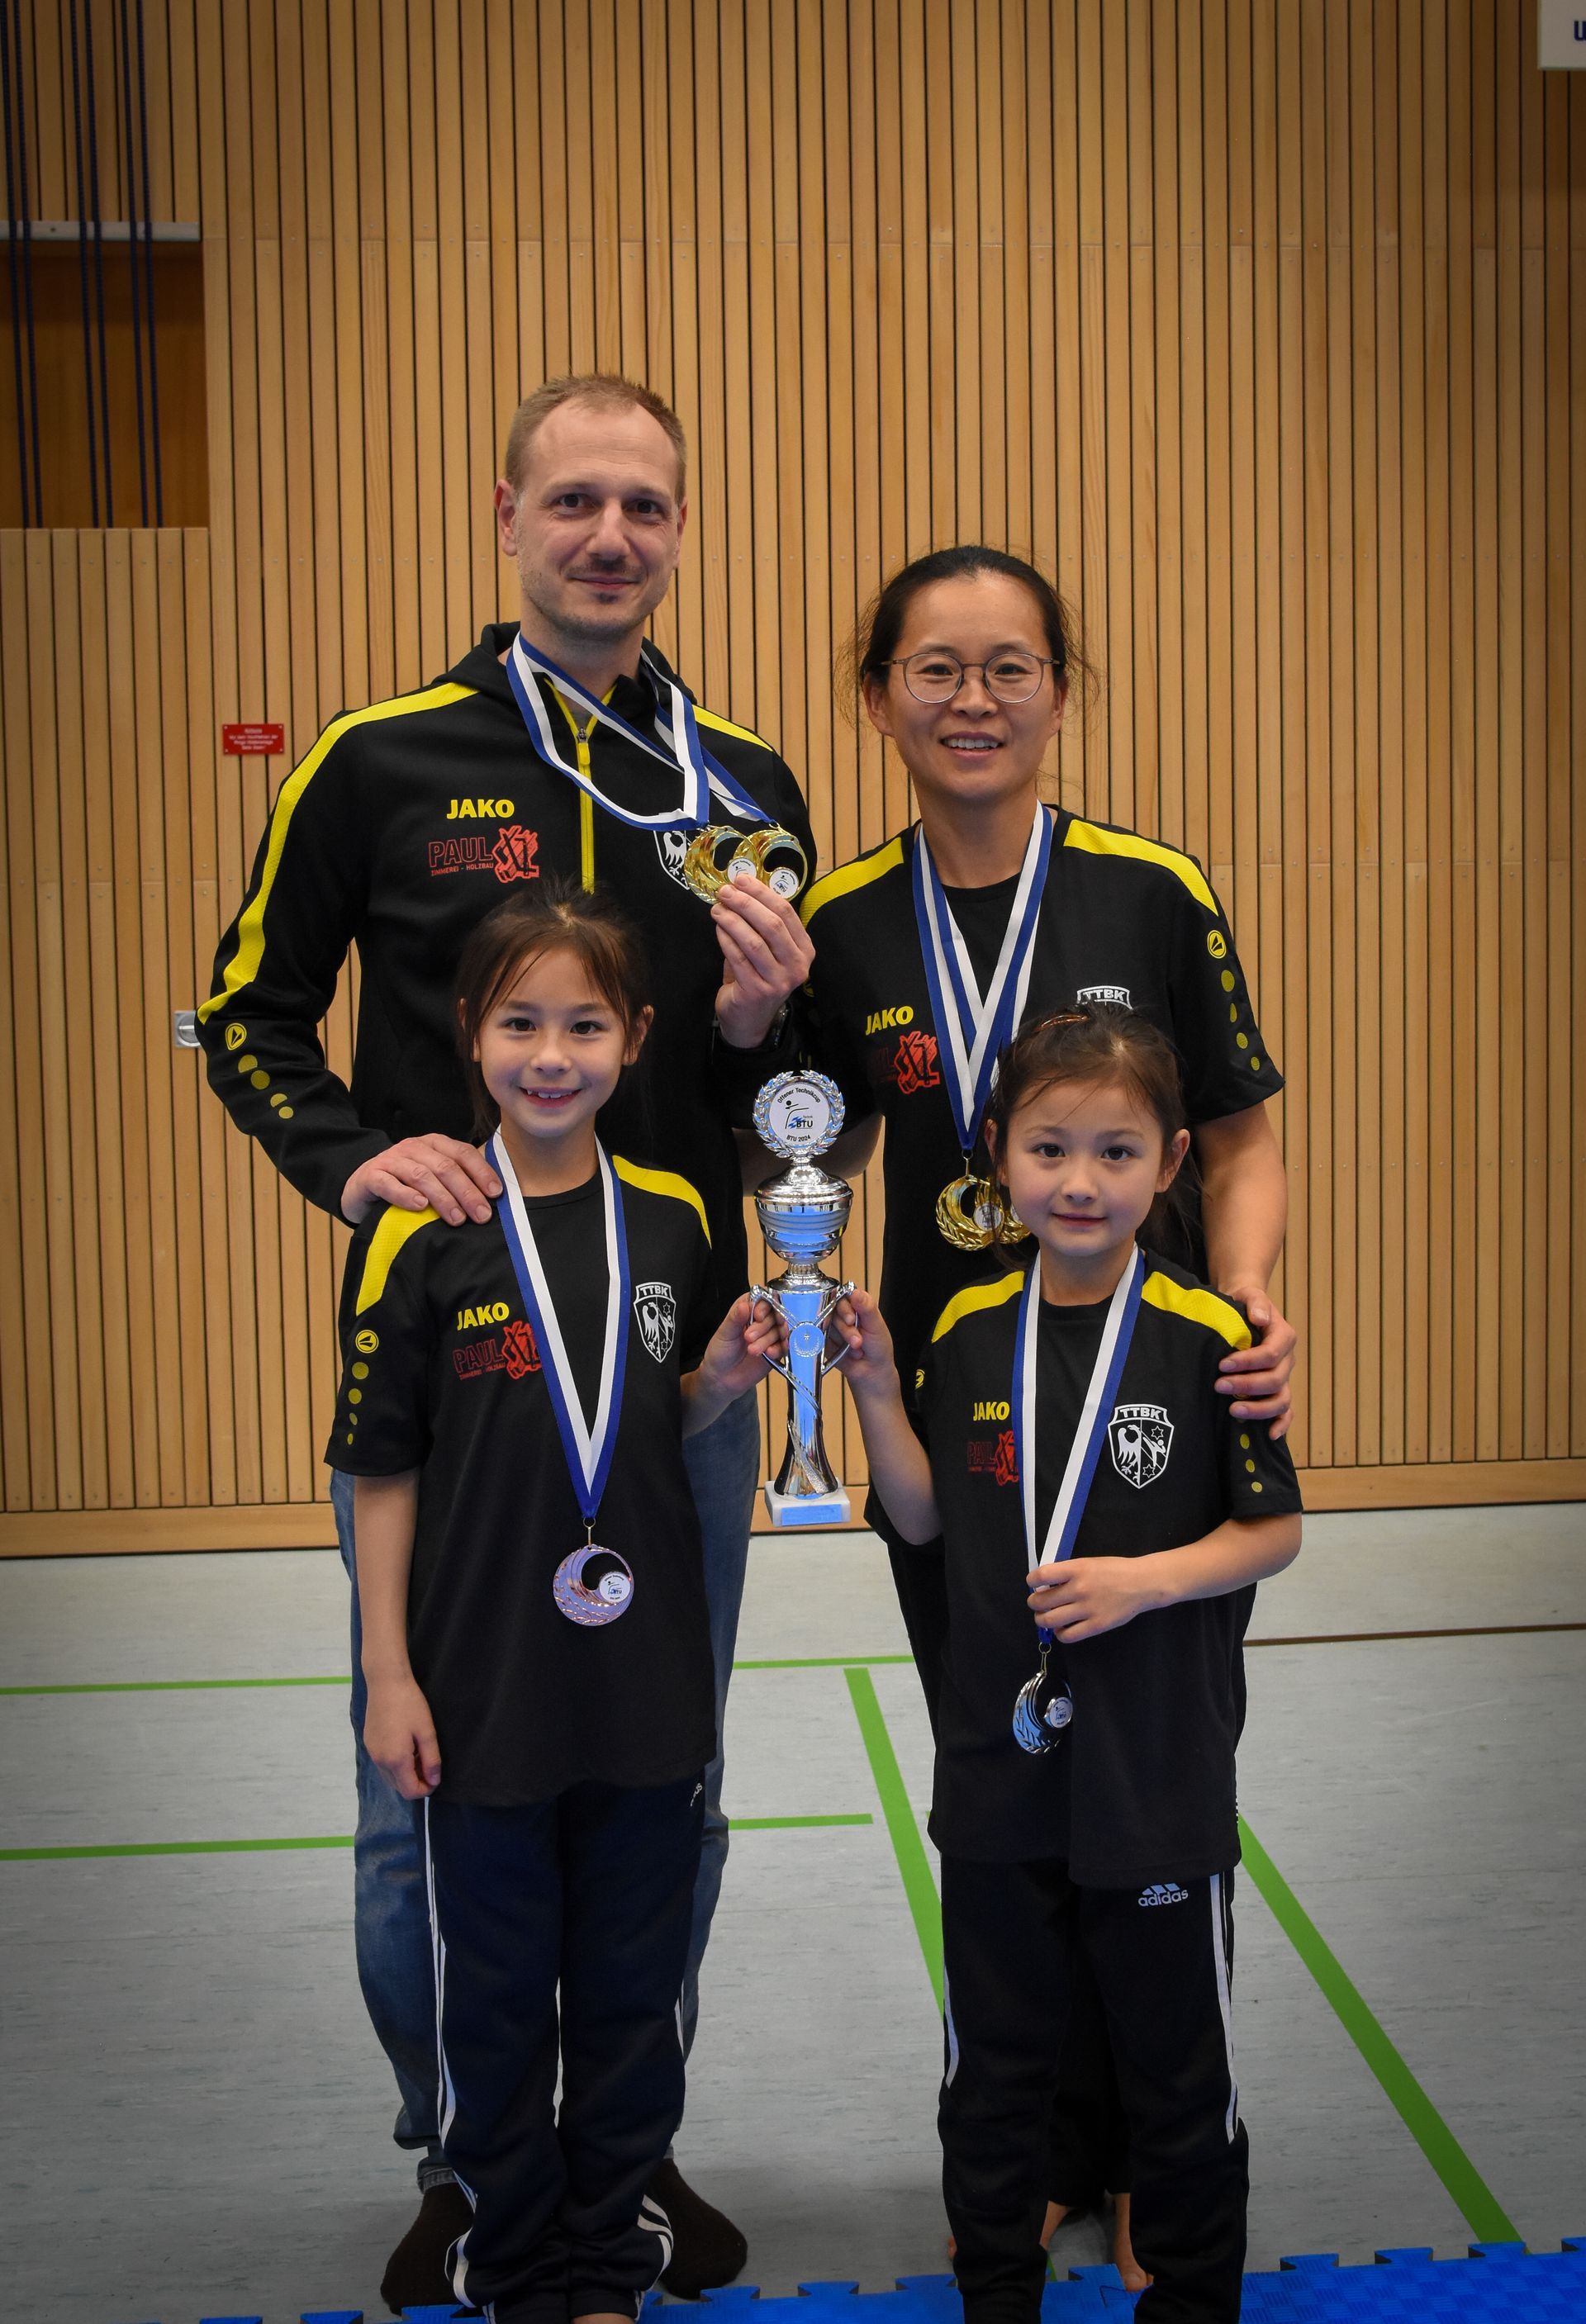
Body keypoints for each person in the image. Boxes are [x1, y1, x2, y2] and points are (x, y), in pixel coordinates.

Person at [197, 373, 814, 2304]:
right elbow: (247, 1014)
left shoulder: (749, 791)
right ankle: (465, 2163)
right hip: (457, 1392)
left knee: (662, 1789)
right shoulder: (381, 761)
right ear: (508, 513)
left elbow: (785, 1111)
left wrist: (759, 1030)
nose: (610, 535)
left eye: (646, 504)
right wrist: (352, 1163)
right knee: (427, 1795)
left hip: (678, 1387)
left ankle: (624, 2157)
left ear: (682, 529)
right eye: (575, 500)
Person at [787, 545, 1296, 2279]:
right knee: (1005, 1790)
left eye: (1011, 666)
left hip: (1148, 1424)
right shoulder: (847, 922)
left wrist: (1242, 1300)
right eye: (936, 668)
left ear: (1060, 693)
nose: (975, 699)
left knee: (1152, 1786)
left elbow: (1241, 1132)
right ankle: (1054, 2145)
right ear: (879, 698)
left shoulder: (1152, 888)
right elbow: (813, 1145)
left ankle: (1163, 2152)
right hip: (963, 1436)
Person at [340, 883, 781, 2323]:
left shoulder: (673, 1214)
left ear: (636, 1037)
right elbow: (381, 1469)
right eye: (520, 1022)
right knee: (494, 1993)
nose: (551, 1054)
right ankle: (517, 2255)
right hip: (484, 1687)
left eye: (584, 1025)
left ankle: (608, 2257)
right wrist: (390, 1671)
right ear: (469, 1031)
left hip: (644, 1680)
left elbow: (656, 1417)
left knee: (631, 1988)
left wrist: (721, 1379)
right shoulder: (420, 1231)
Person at [833, 1004, 1303, 2324]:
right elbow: (925, 1519)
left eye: (1116, 1150)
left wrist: (1140, 1580)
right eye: (1049, 1149)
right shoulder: (972, 1323)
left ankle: (1193, 2297)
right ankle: (996, 2294)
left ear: (1172, 1163)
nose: (1080, 1181)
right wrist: (875, 1389)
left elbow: (1274, 1531)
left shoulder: (1212, 1332)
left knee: (1179, 2068)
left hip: (1157, 1770)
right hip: (1000, 1769)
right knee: (993, 2069)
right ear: (998, 1153)